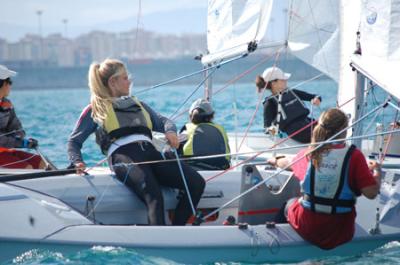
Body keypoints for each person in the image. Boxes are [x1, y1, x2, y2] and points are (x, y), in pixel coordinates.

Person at [67, 59, 205, 226]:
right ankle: (160, 241)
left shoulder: (138, 105)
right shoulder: (96, 108)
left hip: (150, 153)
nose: (129, 81)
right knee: (154, 197)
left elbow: (165, 122)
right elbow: (74, 142)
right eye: (125, 78)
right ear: (113, 82)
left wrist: (170, 132)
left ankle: (177, 229)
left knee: (196, 183)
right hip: (124, 158)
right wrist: (77, 161)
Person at [268, 108, 380, 249]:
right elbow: (371, 193)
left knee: (289, 204)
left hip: (307, 227)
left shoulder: (310, 153)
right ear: (344, 130)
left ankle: (276, 243)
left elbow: (287, 163)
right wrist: (377, 172)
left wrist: (275, 159)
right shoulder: (355, 157)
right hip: (341, 232)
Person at [255, 66, 321, 143]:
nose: (286, 80)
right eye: (282, 79)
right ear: (274, 83)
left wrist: (317, 99)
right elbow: (267, 128)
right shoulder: (270, 103)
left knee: (331, 125)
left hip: (308, 123)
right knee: (323, 132)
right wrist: (280, 136)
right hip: (297, 132)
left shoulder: (292, 92)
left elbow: (314, 96)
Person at [0, 65, 44, 169]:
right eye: (9, 82)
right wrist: (21, 143)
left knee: (42, 163)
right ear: (3, 84)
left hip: (6, 151)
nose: (10, 86)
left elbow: (18, 129)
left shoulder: (7, 105)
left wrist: (22, 140)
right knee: (27, 168)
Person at [178, 98, 231, 170]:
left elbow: (173, 148)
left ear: (191, 115)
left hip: (194, 172)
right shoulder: (221, 129)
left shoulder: (187, 131)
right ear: (211, 116)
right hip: (220, 170)